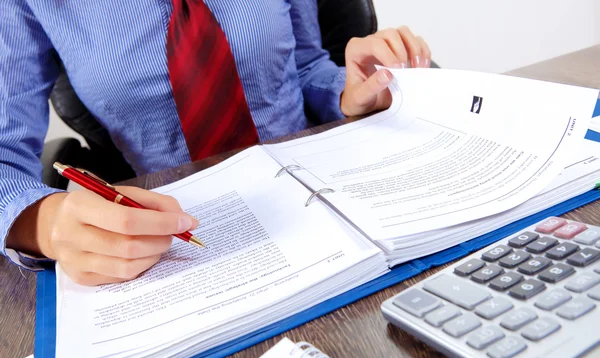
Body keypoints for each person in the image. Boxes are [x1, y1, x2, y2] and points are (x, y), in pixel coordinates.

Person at [0, 0, 431, 286]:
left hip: (319, 187)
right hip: (185, 229)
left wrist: (347, 91)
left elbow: (304, 66)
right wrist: (45, 223)